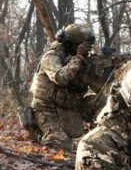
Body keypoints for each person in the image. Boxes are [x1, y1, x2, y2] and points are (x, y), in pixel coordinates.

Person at [28, 23, 102, 152]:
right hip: (47, 108)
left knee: (103, 100)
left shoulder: (81, 60)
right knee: (61, 145)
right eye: (84, 46)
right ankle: (38, 132)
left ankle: (98, 134)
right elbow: (60, 78)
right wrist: (78, 58)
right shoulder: (51, 56)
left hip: (71, 106)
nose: (87, 49)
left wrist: (98, 72)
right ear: (73, 44)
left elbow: (99, 88)